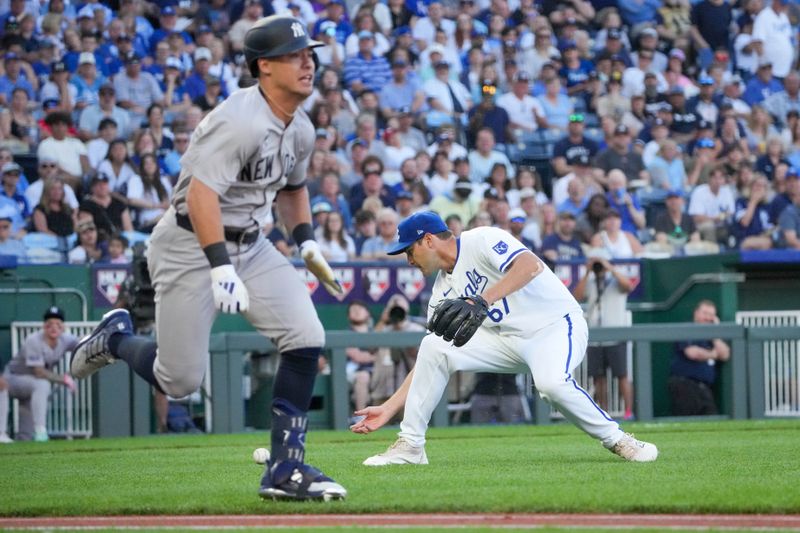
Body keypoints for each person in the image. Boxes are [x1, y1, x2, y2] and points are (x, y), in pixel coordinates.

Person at [68, 16, 346, 502]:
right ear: (264, 66)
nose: (308, 62)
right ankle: (115, 340)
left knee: (307, 335)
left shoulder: (299, 126)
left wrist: (306, 243)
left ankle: (285, 469)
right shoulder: (239, 119)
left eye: (310, 53)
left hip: (252, 243)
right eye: (294, 55)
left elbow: (294, 190)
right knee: (180, 380)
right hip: (188, 245)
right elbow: (201, 197)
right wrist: (219, 267)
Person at [350, 211, 658, 465]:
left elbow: (530, 265)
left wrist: (482, 300)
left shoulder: (482, 238)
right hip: (508, 341)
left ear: (428, 240)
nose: (408, 260)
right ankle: (410, 446)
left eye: (409, 250)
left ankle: (618, 439)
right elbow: (429, 362)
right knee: (433, 345)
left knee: (551, 384)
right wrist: (389, 407)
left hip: (555, 326)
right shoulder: (441, 291)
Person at [572, 249, 635, 420]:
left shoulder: (615, 280)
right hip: (596, 337)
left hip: (615, 335)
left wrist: (610, 268)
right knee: (598, 377)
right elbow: (576, 297)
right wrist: (587, 273)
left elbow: (628, 286)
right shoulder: (590, 282)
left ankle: (629, 412)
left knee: (622, 375)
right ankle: (604, 413)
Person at [0, 306, 77, 442]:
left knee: (26, 436)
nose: (54, 328)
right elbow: (39, 372)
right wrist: (64, 379)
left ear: (63, 327)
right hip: (12, 378)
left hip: (30, 385)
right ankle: (39, 431)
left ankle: (27, 440)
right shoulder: (34, 340)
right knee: (41, 385)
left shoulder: (66, 339)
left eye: (58, 324)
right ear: (44, 326)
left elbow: (83, 344)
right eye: (49, 324)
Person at [668, 300, 730, 416]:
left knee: (711, 420)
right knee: (687, 421)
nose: (708, 318)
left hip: (705, 388)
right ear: (696, 313)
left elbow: (725, 354)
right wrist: (713, 354)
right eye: (705, 313)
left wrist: (715, 332)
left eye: (711, 315)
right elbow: (692, 353)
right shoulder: (687, 329)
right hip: (685, 385)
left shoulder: (713, 336)